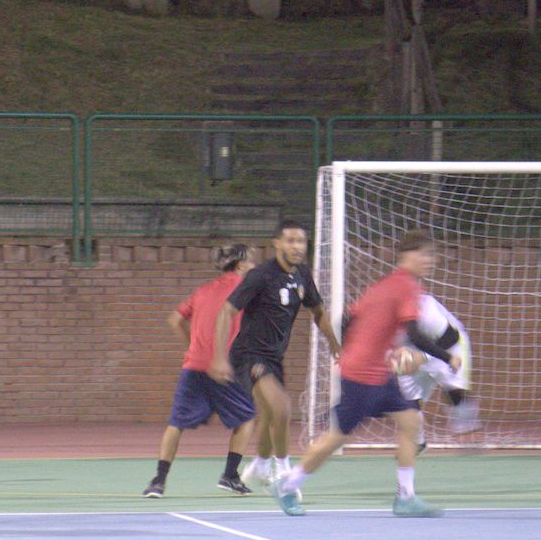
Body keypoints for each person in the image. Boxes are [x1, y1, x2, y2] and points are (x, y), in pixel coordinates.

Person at [273, 230, 461, 517]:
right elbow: (415, 334)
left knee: (411, 420)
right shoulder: (406, 287)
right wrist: (448, 357)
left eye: (432, 255)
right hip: (363, 375)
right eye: (424, 255)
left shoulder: (383, 285)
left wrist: (359, 349)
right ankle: (287, 486)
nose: (430, 260)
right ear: (406, 256)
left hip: (378, 372)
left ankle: (406, 497)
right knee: (337, 437)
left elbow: (347, 320)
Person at [209, 220, 340, 496]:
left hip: (273, 356)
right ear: (277, 244)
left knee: (270, 414)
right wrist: (219, 357)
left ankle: (260, 464)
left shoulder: (302, 274)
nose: (297, 246)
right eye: (290, 241)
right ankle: (283, 473)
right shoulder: (260, 276)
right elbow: (226, 312)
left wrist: (334, 343)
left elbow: (317, 311)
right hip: (248, 355)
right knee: (281, 408)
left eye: (301, 241)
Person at [142, 243, 259, 498]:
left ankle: (158, 481)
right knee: (247, 419)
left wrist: (192, 346)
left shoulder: (203, 290)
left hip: (194, 365)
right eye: (251, 261)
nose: (254, 266)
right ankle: (230, 476)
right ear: (240, 264)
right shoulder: (245, 290)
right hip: (223, 367)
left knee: (176, 424)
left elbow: (175, 319)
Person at [398, 292, 482, 451]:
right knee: (408, 401)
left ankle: (471, 435)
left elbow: (451, 338)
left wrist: (426, 357)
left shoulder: (428, 313)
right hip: (412, 351)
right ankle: (419, 442)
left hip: (449, 346)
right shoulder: (382, 316)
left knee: (454, 391)